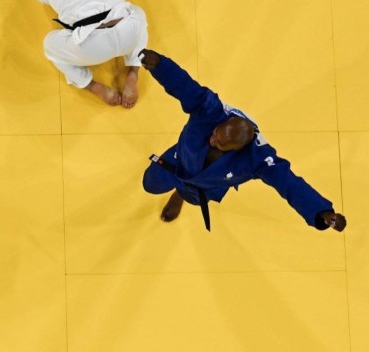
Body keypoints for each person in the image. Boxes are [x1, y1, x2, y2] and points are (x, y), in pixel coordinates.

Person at [139, 48, 347, 232]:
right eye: (215, 134)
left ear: (238, 148)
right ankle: (178, 187)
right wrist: (160, 65)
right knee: (150, 184)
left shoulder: (257, 159)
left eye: (220, 144)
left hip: (206, 185)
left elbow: (289, 183)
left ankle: (181, 195)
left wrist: (322, 212)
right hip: (176, 161)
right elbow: (186, 87)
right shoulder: (210, 111)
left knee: (193, 197)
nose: (213, 141)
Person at [31, 0, 148, 108]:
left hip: (90, 46)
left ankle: (94, 86)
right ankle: (134, 72)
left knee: (49, 45)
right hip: (126, 31)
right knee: (138, 13)